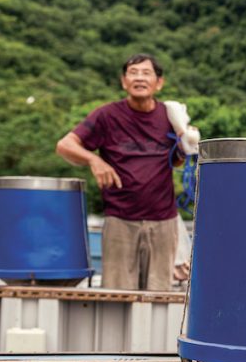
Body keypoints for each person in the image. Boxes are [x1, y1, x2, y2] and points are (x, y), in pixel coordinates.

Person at [56, 53, 195, 291]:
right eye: (133, 73)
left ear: (159, 82)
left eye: (146, 73)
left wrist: (187, 144)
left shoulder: (170, 116)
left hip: (163, 222)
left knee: (159, 296)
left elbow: (177, 161)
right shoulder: (107, 115)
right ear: (124, 81)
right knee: (117, 296)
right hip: (120, 221)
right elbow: (64, 146)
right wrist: (94, 160)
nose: (139, 78)